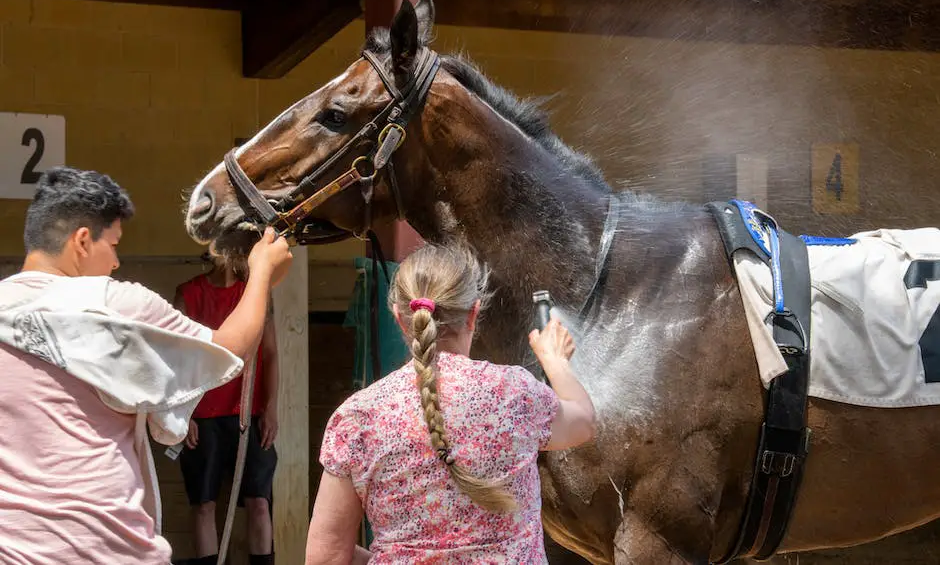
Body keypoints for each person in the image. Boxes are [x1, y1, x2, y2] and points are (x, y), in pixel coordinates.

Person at [0, 166, 292, 565]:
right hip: (107, 549)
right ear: (82, 241)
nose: (117, 262)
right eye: (114, 245)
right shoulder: (114, 305)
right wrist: (261, 274)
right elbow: (228, 350)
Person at [304, 243, 596, 564]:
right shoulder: (514, 393)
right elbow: (582, 423)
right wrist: (555, 362)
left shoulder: (358, 419)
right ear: (473, 313)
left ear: (399, 319)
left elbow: (325, 557)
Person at [174, 255, 280, 565]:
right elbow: (177, 360)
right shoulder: (189, 294)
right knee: (204, 504)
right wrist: (184, 413)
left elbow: (271, 354)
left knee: (259, 502)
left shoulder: (255, 295)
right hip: (202, 415)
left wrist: (271, 408)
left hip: (250, 413)